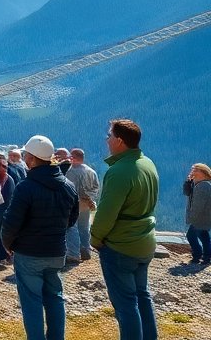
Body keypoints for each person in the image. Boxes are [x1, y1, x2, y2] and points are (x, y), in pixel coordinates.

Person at [1, 135, 79, 340]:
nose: (24, 157)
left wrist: (8, 245)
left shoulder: (26, 187)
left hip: (29, 253)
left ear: (32, 159)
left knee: (32, 302)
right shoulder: (68, 186)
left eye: (26, 154)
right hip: (56, 252)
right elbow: (72, 219)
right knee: (55, 298)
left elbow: (11, 223)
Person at [92, 118, 159, 340]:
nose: (107, 139)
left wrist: (96, 238)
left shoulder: (120, 171)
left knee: (126, 304)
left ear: (119, 141)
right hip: (145, 240)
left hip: (121, 245)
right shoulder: (147, 163)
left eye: (109, 136)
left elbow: (107, 212)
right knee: (142, 296)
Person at [66, 148, 102, 264]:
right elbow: (96, 188)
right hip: (87, 204)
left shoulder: (72, 171)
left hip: (74, 204)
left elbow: (69, 188)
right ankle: (85, 251)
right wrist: (90, 199)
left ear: (74, 157)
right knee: (84, 227)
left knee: (72, 227)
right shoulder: (91, 171)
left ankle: (73, 253)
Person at [0, 154, 17, 271]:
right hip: (2, 211)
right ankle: (4, 255)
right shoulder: (5, 178)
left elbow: (5, 197)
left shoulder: (5, 179)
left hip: (0, 212)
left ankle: (2, 257)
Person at [182, 163, 211, 266]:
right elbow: (187, 193)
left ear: (203, 173)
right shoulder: (197, 183)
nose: (192, 172)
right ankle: (206, 257)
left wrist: (192, 218)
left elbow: (199, 206)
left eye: (195, 170)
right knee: (204, 236)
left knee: (191, 236)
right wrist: (188, 182)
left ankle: (198, 256)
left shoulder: (203, 186)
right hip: (202, 218)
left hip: (200, 218)